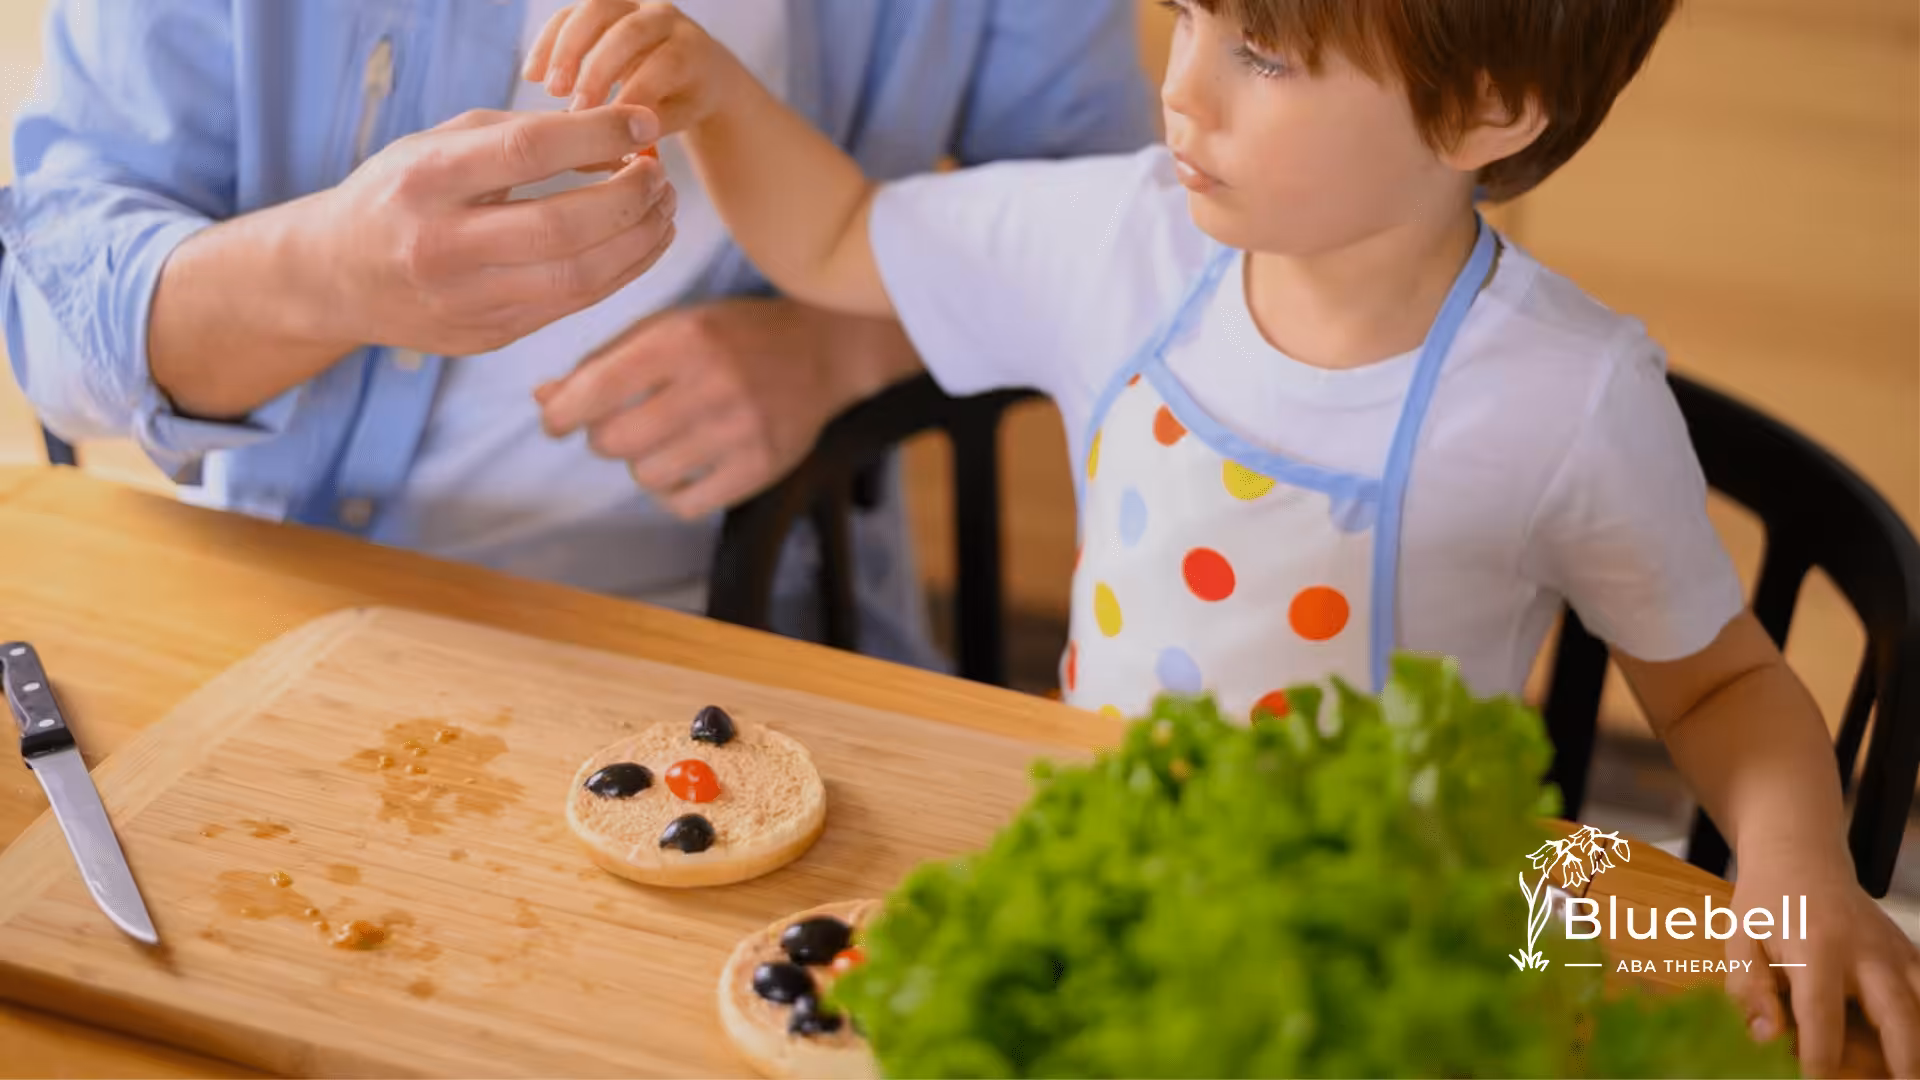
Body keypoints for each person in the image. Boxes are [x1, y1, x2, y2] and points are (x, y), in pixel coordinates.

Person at [526, 0, 1920, 1072]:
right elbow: (834, 235)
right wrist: (708, 90)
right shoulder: (1115, 241)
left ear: (1489, 106)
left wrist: (1803, 867)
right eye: (1187, 12)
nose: (1178, 82)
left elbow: (1720, 682)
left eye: (1262, 48)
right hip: (1103, 884)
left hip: (1390, 946)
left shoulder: (1568, 398)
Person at [0, 0, 1155, 670]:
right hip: (290, 611)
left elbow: (1115, 229)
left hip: (759, 620)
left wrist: (837, 351)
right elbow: (53, 323)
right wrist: (328, 276)